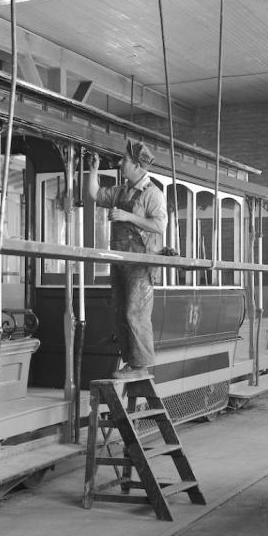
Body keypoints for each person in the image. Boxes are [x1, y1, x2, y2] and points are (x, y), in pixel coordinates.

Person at [86, 140, 167, 379]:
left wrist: (127, 216)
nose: (120, 163)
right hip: (120, 261)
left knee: (135, 312)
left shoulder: (153, 193)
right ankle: (131, 362)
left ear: (137, 166)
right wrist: (93, 170)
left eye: (125, 160)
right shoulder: (122, 191)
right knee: (119, 312)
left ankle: (140, 366)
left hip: (141, 263)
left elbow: (159, 225)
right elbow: (95, 195)